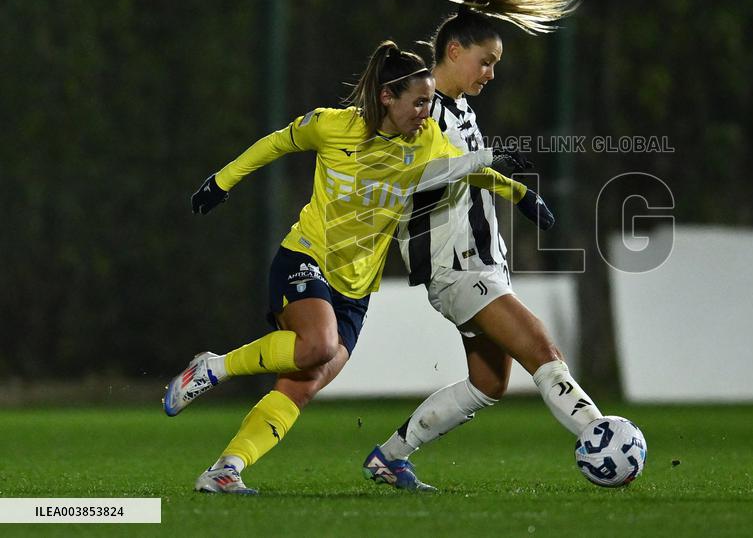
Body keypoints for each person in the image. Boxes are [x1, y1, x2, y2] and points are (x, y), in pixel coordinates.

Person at [163, 40, 535, 495]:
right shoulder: (332, 126)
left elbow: (461, 170)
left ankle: (224, 469)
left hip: (356, 289)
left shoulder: (426, 142)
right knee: (318, 346)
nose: (426, 112)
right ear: (386, 98)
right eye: (419, 102)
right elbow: (277, 142)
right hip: (306, 256)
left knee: (302, 384)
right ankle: (215, 368)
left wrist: (519, 192)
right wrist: (221, 182)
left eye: (430, 102)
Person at [362, 0, 603, 492]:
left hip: (480, 262)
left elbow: (470, 170)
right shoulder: (421, 110)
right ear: (451, 52)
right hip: (455, 267)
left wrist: (519, 196)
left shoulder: (462, 111)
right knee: (542, 347)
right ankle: (603, 436)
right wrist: (491, 164)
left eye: (496, 64)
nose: (491, 73)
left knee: (490, 383)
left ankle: (390, 455)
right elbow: (411, 178)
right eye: (485, 61)